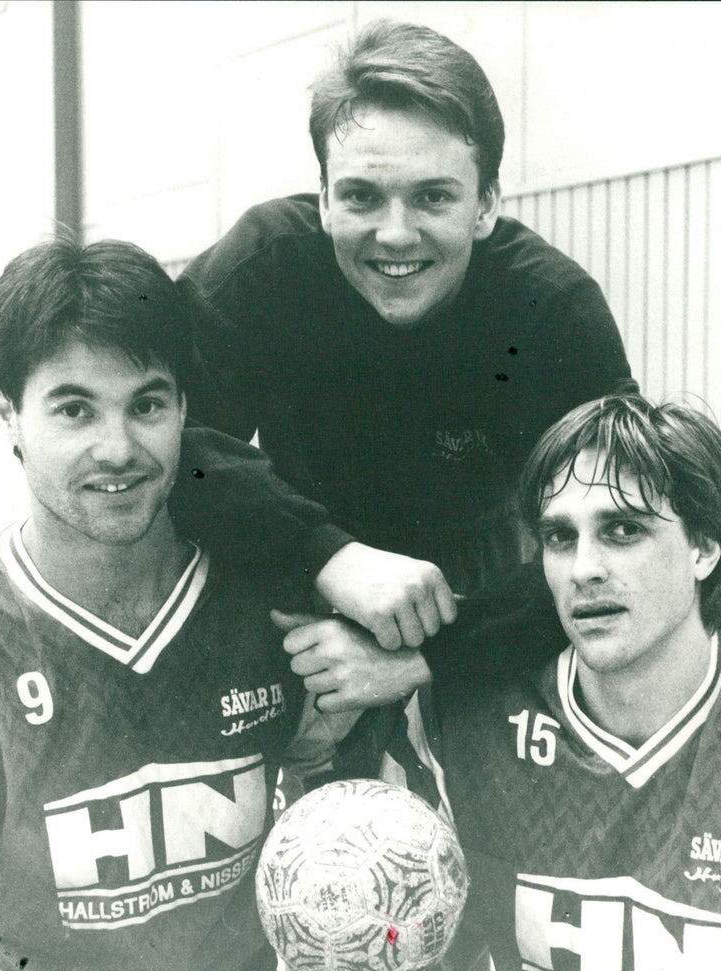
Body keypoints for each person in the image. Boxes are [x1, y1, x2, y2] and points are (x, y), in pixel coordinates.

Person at [0, 238, 361, 971]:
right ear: (9, 415)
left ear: (184, 409)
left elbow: (360, 851)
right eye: (74, 408)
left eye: (147, 404)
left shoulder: (272, 601)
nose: (118, 449)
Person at [277, 394, 721, 971]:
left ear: (704, 548)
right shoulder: (462, 725)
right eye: (561, 537)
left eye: (624, 530)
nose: (584, 569)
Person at [177, 19, 635, 617]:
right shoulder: (259, 269)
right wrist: (324, 557)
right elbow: (166, 447)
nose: (395, 235)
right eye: (361, 196)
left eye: (434, 197)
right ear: (323, 199)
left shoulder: (550, 310)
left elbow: (622, 535)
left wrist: (444, 653)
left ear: (485, 205)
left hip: (479, 588)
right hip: (294, 558)